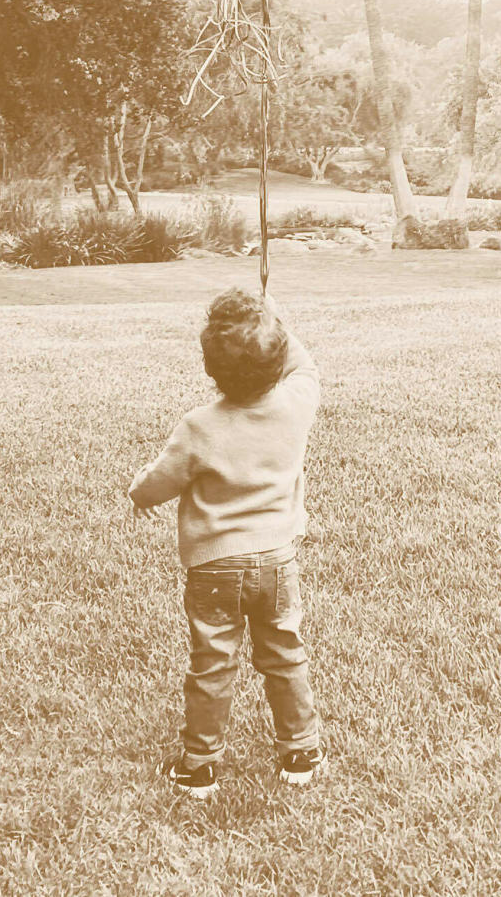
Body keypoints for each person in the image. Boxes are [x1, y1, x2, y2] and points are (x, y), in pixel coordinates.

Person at [129, 287, 323, 798]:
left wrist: (138, 493)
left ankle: (200, 765)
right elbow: (305, 365)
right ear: (278, 357)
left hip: (214, 567)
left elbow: (160, 482)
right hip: (278, 560)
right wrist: (275, 317)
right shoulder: (295, 405)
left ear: (210, 368)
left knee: (213, 660)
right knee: (283, 650)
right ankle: (300, 750)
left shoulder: (199, 427)